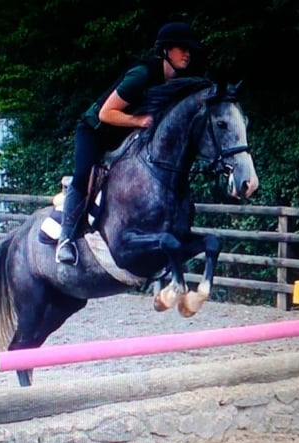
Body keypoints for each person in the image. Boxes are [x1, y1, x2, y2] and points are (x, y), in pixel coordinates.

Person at [56, 21, 204, 265]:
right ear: (165, 50)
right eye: (181, 48)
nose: (187, 53)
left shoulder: (175, 82)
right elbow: (106, 114)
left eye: (189, 49)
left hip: (127, 134)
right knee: (83, 174)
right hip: (97, 131)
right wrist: (139, 120)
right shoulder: (142, 74)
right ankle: (66, 238)